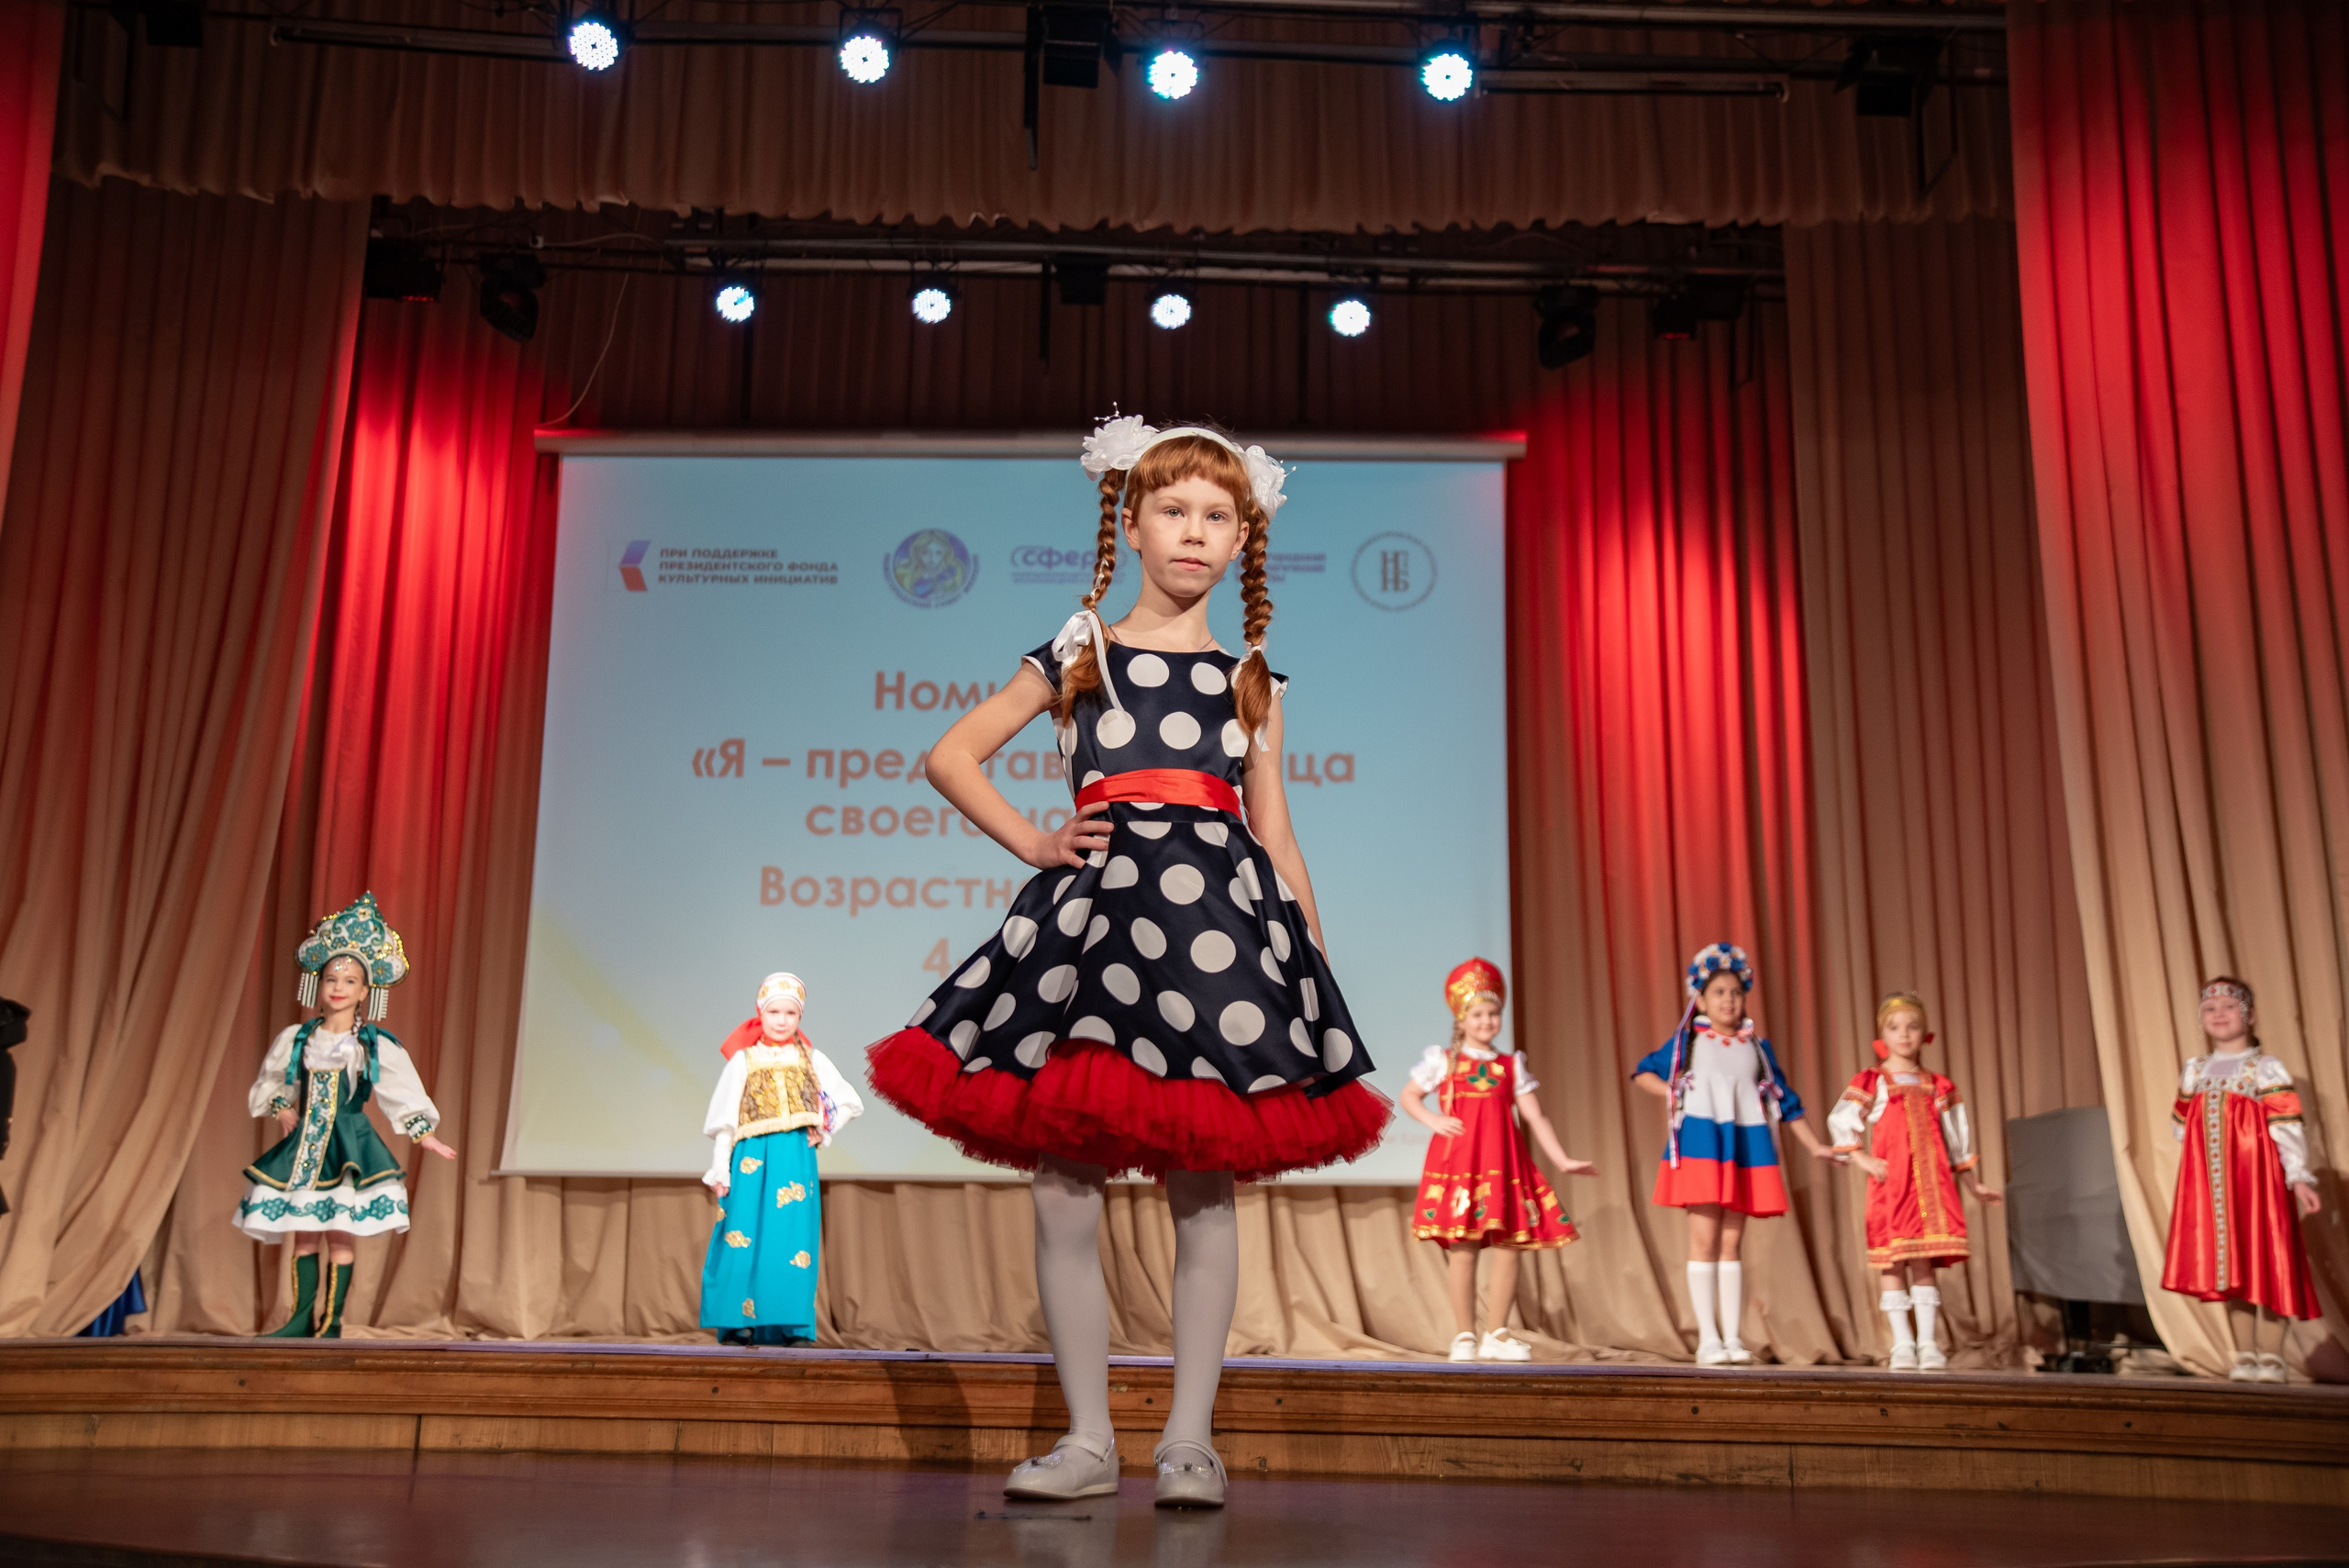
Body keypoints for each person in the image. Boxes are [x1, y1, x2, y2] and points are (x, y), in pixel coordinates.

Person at [866, 417, 1390, 1508]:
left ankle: (1190, 1439)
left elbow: (1277, 832)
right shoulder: (1081, 648)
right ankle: (1089, 1435)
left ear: (1242, 537)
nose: (1195, 532)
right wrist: (1033, 839)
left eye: (1218, 515)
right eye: (1174, 510)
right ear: (1132, 523)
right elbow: (950, 753)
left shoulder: (1252, 677)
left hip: (1216, 941)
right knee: (1066, 1184)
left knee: (1203, 1182)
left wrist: (1311, 965)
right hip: (1095, 930)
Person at [233, 893, 454, 1337]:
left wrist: (422, 1133)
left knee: (339, 1233)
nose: (338, 986)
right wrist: (281, 1109)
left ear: (365, 991)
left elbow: (399, 1091)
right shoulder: (299, 1037)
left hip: (349, 1143)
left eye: (349, 980)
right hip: (305, 1148)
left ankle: (331, 1323)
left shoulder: (372, 1044)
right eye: (332, 977)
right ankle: (299, 1319)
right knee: (304, 1232)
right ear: (318, 983)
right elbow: (274, 1081)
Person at [1631, 942, 1834, 1367]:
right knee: (1703, 1240)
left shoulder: (1757, 1047)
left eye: (1735, 992)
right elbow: (1643, 1072)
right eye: (1719, 992)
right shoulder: (1689, 1041)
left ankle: (1731, 1337)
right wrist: (1673, 1091)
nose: (1729, 1000)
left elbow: (1785, 1101)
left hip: (1744, 1146)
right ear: (1701, 999)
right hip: (1703, 1144)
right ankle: (1707, 1337)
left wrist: (1815, 1146)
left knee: (1731, 1242)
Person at [1401, 958, 1591, 1362]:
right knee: (1464, 1247)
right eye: (1478, 1014)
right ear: (1462, 1017)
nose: (1487, 1021)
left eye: (1493, 1013)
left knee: (1510, 1245)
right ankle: (1464, 1334)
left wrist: (1561, 1159)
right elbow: (1409, 1096)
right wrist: (1434, 1119)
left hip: (1505, 1164)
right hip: (1461, 1164)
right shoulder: (1444, 1061)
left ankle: (1498, 1332)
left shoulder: (1510, 1065)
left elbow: (1535, 1114)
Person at [1826, 992, 2001, 1371]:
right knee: (1894, 1262)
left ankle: (1927, 1342)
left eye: (1912, 1027)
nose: (1904, 1035)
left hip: (1932, 1187)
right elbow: (1842, 1120)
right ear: (1882, 1035)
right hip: (1893, 1185)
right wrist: (1861, 1158)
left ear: (1925, 1034)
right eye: (1894, 1028)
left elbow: (1957, 1140)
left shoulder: (1938, 1085)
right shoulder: (1873, 1080)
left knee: (1923, 1262)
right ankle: (1902, 1343)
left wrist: (1974, 1185)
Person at [2163, 976, 2322, 1383]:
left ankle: (2272, 1356)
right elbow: (2180, 1126)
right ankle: (2244, 1355)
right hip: (2213, 1187)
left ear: (2248, 1015)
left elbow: (2286, 1124)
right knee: (2226, 1265)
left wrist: (2298, 1176)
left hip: (2258, 1182)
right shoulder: (2195, 1069)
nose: (2219, 1014)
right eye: (2210, 1008)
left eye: (2229, 1006)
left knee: (2265, 1259)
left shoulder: (2265, 1067)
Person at [700, 972, 863, 1348]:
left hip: (794, 1157)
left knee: (790, 1238)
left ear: (799, 1017)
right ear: (761, 1012)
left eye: (790, 1013)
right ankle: (738, 1321)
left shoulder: (811, 1058)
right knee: (742, 1233)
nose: (781, 1019)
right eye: (774, 1011)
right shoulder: (744, 1060)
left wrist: (825, 1129)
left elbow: (849, 1101)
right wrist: (719, 1167)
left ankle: (792, 1324)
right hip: (750, 1158)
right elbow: (725, 1119)